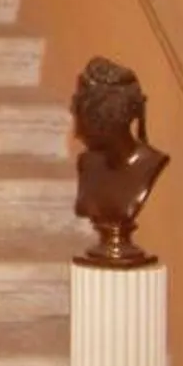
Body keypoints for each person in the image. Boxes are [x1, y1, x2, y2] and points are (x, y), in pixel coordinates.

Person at [70, 56, 167, 267]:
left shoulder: (149, 165)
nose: (76, 132)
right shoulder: (88, 164)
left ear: (109, 119)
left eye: (83, 118)